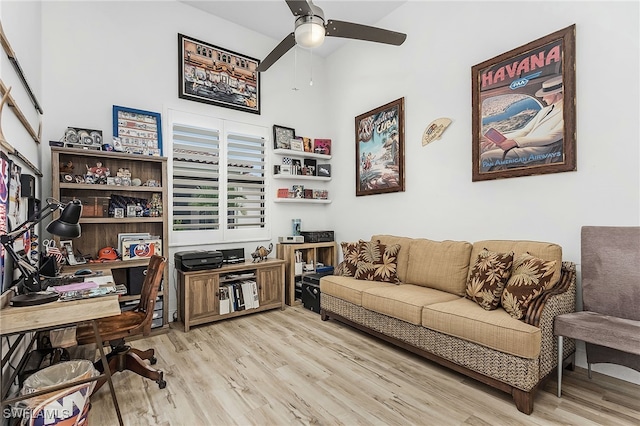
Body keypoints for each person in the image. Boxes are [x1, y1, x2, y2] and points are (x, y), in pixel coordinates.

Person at [480, 75, 564, 171]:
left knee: (486, 157)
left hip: (537, 149)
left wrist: (516, 142)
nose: (543, 98)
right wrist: (499, 139)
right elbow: (526, 131)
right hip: (525, 143)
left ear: (556, 93)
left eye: (546, 94)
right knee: (484, 148)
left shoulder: (565, 112)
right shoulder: (545, 110)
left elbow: (551, 137)